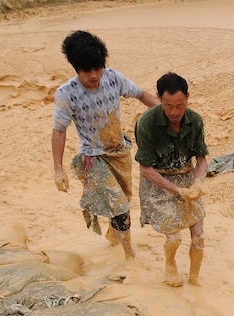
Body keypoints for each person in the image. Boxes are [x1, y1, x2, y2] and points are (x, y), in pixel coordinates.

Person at [51, 30, 159, 264]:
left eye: (97, 68)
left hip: (120, 152)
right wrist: (58, 169)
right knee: (120, 207)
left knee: (124, 199)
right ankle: (130, 257)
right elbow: (59, 131)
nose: (94, 75)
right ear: (76, 68)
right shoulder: (66, 94)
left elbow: (141, 95)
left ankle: (116, 233)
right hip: (93, 158)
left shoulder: (112, 78)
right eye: (87, 70)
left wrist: (166, 113)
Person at [134, 72, 209, 287]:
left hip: (185, 176)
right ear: (158, 98)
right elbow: (145, 170)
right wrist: (176, 191)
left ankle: (194, 278)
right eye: (168, 106)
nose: (174, 112)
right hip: (157, 181)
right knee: (175, 237)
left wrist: (197, 182)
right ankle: (170, 264)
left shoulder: (195, 120)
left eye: (180, 105)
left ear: (188, 97)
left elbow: (202, 159)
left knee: (198, 235)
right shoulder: (146, 123)